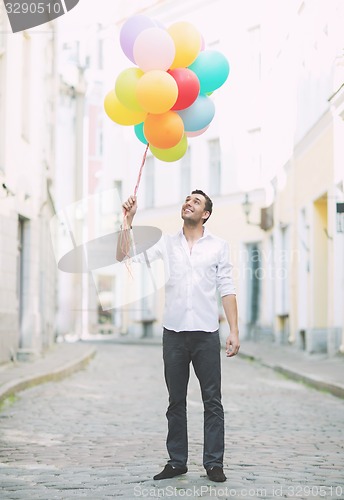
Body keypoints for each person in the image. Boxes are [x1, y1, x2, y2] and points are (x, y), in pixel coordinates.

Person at [118, 190, 240, 483]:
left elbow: (226, 287)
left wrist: (234, 330)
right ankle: (177, 462)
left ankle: (214, 463)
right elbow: (125, 254)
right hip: (173, 333)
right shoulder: (165, 243)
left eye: (196, 201)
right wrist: (127, 221)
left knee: (212, 401)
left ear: (205, 214)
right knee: (176, 401)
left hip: (206, 333)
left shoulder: (218, 247)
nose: (189, 203)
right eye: (187, 199)